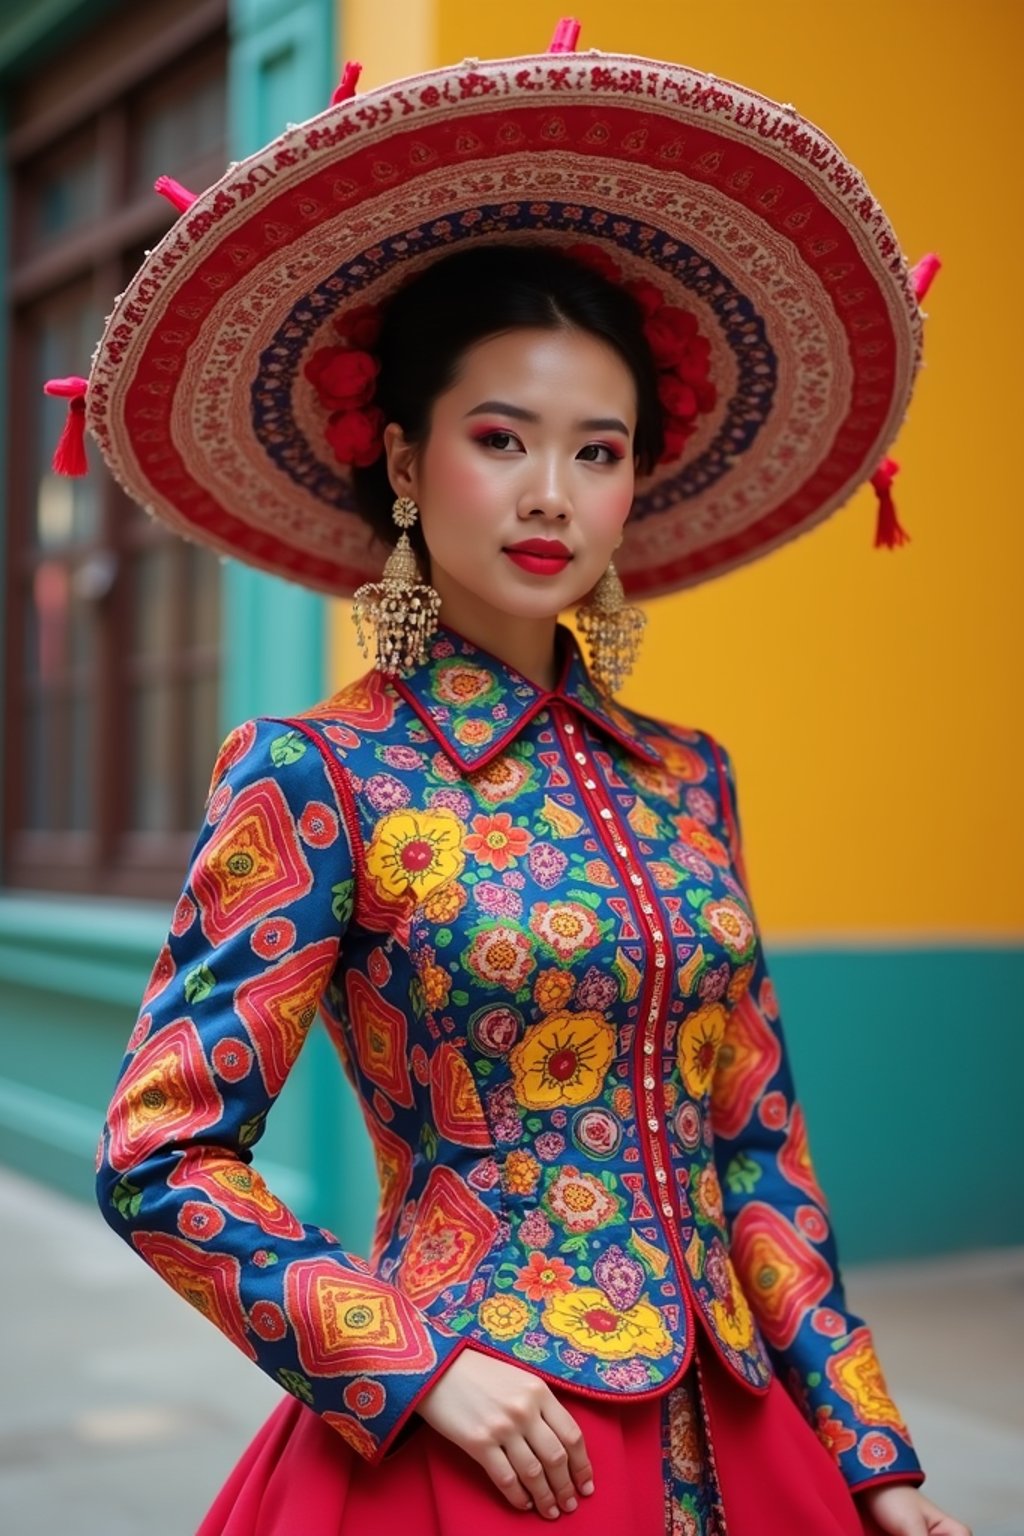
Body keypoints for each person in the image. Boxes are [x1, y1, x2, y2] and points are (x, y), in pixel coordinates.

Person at [65, 22, 969, 1536]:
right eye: (504, 438)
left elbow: (758, 1148)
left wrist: (867, 1451)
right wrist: (411, 1365)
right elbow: (159, 1155)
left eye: (599, 451)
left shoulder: (690, 779)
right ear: (408, 464)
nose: (555, 493)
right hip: (480, 1448)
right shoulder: (317, 775)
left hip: (742, 1430)